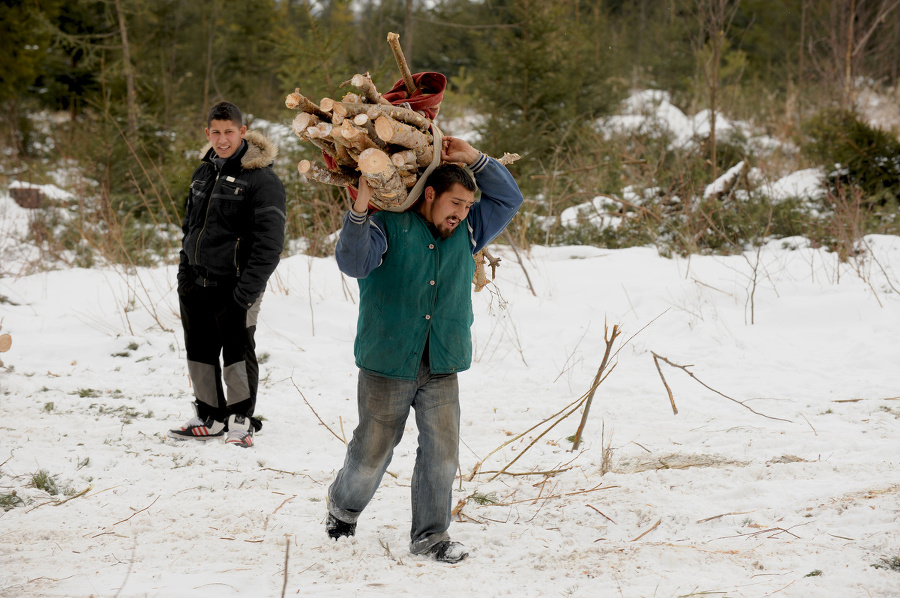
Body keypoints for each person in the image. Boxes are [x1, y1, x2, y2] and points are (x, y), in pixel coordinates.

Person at [326, 135, 524, 562]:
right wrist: (360, 210)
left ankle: (431, 537)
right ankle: (342, 508)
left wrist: (475, 159)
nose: (462, 213)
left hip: (441, 359)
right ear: (430, 194)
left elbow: (510, 198)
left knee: (442, 453)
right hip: (388, 360)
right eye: (455, 203)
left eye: (468, 206)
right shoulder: (387, 225)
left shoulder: (468, 230)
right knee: (372, 452)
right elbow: (352, 264)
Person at [168, 101, 286, 448]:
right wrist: (183, 275)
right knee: (199, 350)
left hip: (236, 285)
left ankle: (239, 418)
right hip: (196, 281)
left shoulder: (262, 179)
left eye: (229, 132)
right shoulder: (203, 172)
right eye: (216, 133)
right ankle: (209, 415)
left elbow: (270, 244)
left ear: (243, 132)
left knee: (237, 352)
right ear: (208, 134)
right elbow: (190, 227)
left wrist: (246, 291)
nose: (222, 140)